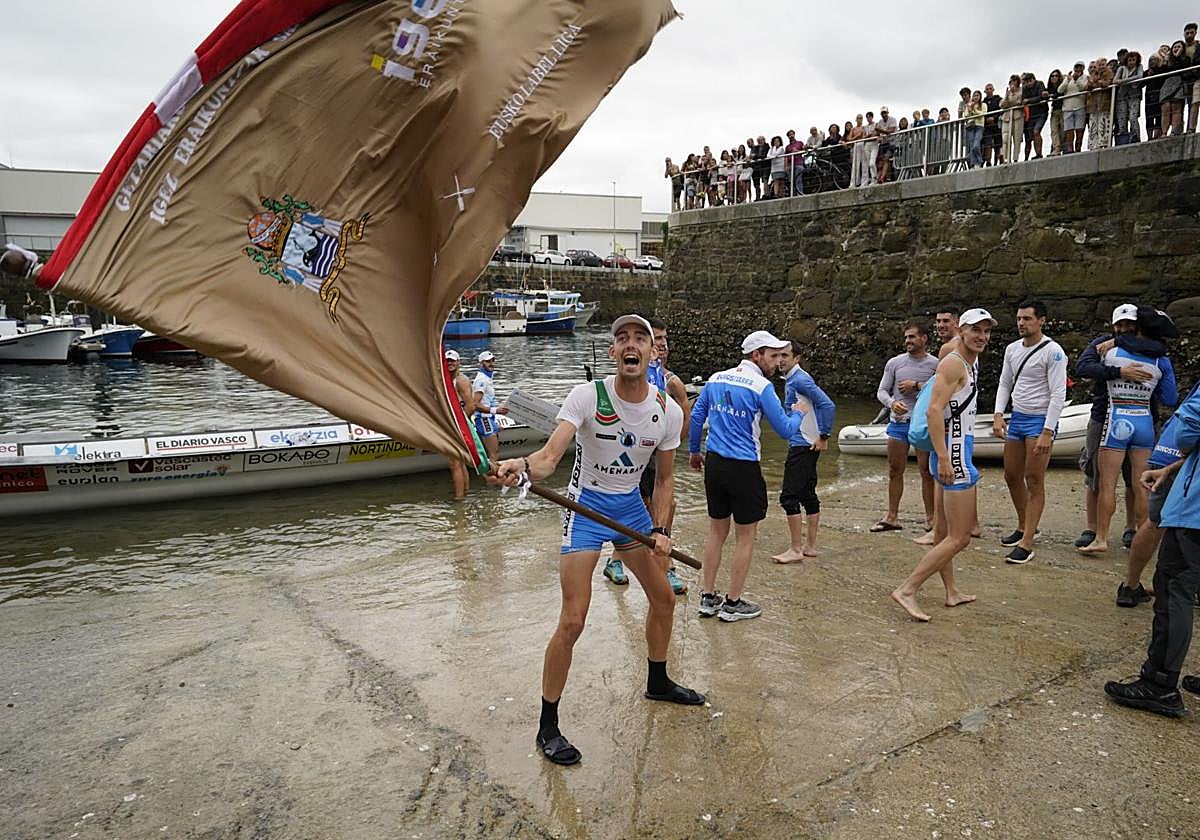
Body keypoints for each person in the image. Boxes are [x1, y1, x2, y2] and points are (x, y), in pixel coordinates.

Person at [491, 314, 701, 766]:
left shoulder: (667, 410)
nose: (631, 344)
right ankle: (548, 726)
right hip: (584, 510)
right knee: (573, 621)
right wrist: (522, 467)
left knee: (664, 599)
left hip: (629, 511)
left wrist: (661, 531)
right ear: (613, 353)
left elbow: (665, 482)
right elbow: (549, 457)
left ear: (652, 352)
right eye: (621, 337)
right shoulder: (587, 396)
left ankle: (658, 682)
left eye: (640, 338)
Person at [689, 331, 807, 622]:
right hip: (743, 467)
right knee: (746, 535)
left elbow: (696, 416)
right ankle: (732, 603)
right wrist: (800, 413)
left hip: (715, 462)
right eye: (772, 355)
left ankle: (707, 597)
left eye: (781, 355)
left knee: (717, 531)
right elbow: (785, 430)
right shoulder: (761, 386)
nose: (777, 361)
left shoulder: (716, 378)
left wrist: (694, 451)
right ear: (756, 355)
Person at [891, 308, 995, 622]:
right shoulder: (953, 364)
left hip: (955, 450)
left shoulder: (969, 363)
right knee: (960, 537)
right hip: (952, 454)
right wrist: (946, 456)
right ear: (961, 330)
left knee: (943, 532)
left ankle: (951, 592)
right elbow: (933, 411)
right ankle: (907, 589)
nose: (982, 336)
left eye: (986, 331)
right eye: (975, 330)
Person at [1103, 383, 1200, 718]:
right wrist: (1172, 470)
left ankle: (1159, 684)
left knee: (1174, 590)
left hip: (1196, 513)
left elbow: (1189, 430)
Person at [1078, 306, 1178, 555]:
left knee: (1107, 485)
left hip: (1116, 421)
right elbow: (1170, 398)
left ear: (1137, 327)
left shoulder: (1111, 352)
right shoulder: (1161, 360)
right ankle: (1142, 537)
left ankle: (1101, 538)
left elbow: (1084, 367)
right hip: (1144, 421)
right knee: (1141, 484)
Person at [604, 318, 690, 596]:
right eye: (659, 339)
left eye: (665, 340)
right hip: (632, 450)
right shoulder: (632, 368)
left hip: (658, 451)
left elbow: (685, 410)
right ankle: (616, 560)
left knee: (665, 505)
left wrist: (682, 442)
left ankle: (666, 565)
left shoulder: (671, 381)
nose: (663, 344)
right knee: (634, 505)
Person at [991, 300, 1068, 564]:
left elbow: (1058, 393)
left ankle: (1027, 543)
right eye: (1019, 319)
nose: (1022, 323)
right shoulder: (1012, 349)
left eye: (1027, 319)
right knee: (1012, 475)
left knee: (1034, 479)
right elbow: (1005, 382)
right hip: (1018, 417)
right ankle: (1025, 525)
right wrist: (999, 414)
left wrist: (1048, 430)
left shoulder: (1054, 351)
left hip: (1040, 420)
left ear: (1041, 320)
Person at [1119, 379, 1199, 607]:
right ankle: (1137, 586)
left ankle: (1131, 586)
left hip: (1168, 450)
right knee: (1164, 523)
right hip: (1184, 456)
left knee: (1156, 522)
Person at [871, 322, 939, 534]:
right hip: (898, 424)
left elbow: (944, 389)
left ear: (924, 338)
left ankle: (931, 518)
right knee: (894, 470)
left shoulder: (936, 364)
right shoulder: (895, 363)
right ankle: (892, 516)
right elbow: (881, 391)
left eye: (912, 337)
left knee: (927, 472)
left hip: (923, 424)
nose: (908, 341)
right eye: (906, 338)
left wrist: (917, 386)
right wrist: (892, 403)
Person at [771, 341, 835, 563]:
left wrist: (824, 436)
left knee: (788, 497)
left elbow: (828, 405)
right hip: (804, 443)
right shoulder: (793, 380)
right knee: (808, 494)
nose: (780, 360)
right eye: (778, 355)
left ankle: (796, 549)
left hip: (803, 444)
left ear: (797, 358)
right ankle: (809, 546)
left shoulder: (800, 380)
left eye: (785, 355)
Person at [445, 349, 476, 499]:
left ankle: (459, 499)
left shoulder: (461, 381)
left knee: (454, 463)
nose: (450, 363)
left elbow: (470, 406)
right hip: (455, 424)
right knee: (460, 462)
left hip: (458, 426)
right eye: (447, 361)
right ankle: (465, 492)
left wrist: (459, 425)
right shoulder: (446, 380)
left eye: (452, 360)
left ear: (458, 363)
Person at [472, 350, 508, 464]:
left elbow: (486, 401)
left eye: (492, 360)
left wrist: (495, 423)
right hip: (483, 419)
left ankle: (492, 477)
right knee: (494, 453)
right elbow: (475, 404)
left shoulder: (487, 378)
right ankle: (491, 480)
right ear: (481, 363)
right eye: (488, 361)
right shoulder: (481, 380)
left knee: (495, 453)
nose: (491, 363)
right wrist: (496, 410)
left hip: (488, 419)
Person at [1113, 51, 1144, 144]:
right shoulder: (1122, 68)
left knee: (1133, 117)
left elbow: (1140, 76)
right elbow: (1115, 80)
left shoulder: (1139, 67)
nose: (1131, 62)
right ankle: (1124, 139)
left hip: (1134, 95)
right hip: (1122, 96)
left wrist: (1124, 81)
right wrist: (1124, 81)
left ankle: (1136, 138)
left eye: (1133, 60)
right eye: (1129, 60)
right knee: (1122, 119)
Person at [1160, 42, 1189, 137]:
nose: (1176, 48)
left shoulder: (1185, 59)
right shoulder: (1167, 60)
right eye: (1174, 47)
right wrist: (1165, 60)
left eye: (1179, 47)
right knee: (1166, 109)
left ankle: (1174, 132)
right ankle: (1164, 133)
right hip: (1167, 85)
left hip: (1179, 83)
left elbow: (1183, 67)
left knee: (1176, 108)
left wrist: (1178, 56)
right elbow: (1163, 72)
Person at [1086, 57, 1115, 150]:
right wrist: (1096, 83)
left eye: (1103, 64)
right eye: (1099, 65)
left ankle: (1104, 143)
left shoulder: (1109, 72)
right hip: (1094, 104)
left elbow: (1106, 84)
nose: (1101, 67)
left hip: (1104, 103)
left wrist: (1097, 82)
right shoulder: (1093, 74)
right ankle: (1093, 144)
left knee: (1104, 123)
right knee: (1093, 125)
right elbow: (1088, 86)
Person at [1059, 62, 1088, 153]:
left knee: (1079, 130)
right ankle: (1070, 149)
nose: (1077, 69)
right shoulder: (1068, 78)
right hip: (1067, 107)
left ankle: (1078, 148)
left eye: (1080, 67)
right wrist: (1067, 80)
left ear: (1083, 68)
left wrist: (1076, 80)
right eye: (1076, 67)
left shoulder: (1085, 77)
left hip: (1080, 106)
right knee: (1069, 130)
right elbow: (1060, 90)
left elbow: (1084, 88)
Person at [1021, 72, 1050, 159]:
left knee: (1036, 131)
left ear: (1034, 79)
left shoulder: (1040, 84)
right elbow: (1023, 100)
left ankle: (1039, 154)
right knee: (1032, 135)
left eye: (1030, 81)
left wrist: (1029, 100)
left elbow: (1041, 96)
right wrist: (1030, 100)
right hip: (1031, 115)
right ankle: (1037, 153)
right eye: (1027, 81)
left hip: (1041, 113)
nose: (1029, 83)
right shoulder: (1025, 88)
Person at [1000, 75, 1025, 165]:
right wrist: (1007, 96)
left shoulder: (1022, 90)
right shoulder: (1008, 93)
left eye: (1013, 81)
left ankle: (1015, 158)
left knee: (1017, 138)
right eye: (1010, 82)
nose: (1012, 83)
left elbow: (1019, 102)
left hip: (1018, 116)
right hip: (1007, 117)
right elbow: (1002, 105)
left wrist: (1014, 98)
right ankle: (1006, 158)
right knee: (1005, 138)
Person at [875, 106, 899, 183]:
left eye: (885, 112)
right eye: (882, 113)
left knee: (886, 159)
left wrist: (880, 130)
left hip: (891, 143)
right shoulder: (880, 121)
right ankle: (878, 178)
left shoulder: (892, 119)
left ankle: (882, 177)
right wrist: (878, 132)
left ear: (887, 113)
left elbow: (891, 131)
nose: (884, 114)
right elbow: (877, 132)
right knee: (880, 162)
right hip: (883, 143)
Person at [981, 83, 1003, 166]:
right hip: (987, 126)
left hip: (997, 125)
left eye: (990, 88)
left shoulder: (998, 99)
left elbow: (1001, 109)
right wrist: (986, 120)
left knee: (998, 145)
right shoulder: (983, 102)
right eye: (987, 89)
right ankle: (988, 162)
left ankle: (997, 162)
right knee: (988, 144)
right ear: (985, 91)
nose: (989, 90)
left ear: (993, 90)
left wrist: (994, 118)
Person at [964, 91, 986, 169]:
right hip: (971, 126)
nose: (976, 97)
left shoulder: (983, 104)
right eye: (974, 95)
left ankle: (979, 162)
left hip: (979, 126)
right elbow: (965, 115)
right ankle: (973, 163)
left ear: (980, 97)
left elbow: (982, 114)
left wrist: (974, 110)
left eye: (977, 95)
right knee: (972, 145)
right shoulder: (969, 104)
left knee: (976, 145)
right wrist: (970, 108)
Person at [1046, 70, 1065, 155]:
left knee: (1063, 130)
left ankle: (1062, 147)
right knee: (1054, 130)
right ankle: (1056, 148)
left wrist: (1052, 95)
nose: (1054, 77)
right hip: (1054, 110)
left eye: (1056, 76)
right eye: (1052, 76)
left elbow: (1059, 93)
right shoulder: (1050, 87)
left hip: (1063, 109)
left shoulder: (1063, 85)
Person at [785, 129, 806, 197]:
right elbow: (786, 156)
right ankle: (793, 194)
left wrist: (796, 151)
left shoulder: (800, 143)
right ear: (788, 136)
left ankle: (799, 194)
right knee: (792, 181)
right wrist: (785, 166)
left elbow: (804, 151)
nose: (791, 136)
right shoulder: (787, 147)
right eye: (789, 135)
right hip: (790, 165)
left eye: (792, 134)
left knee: (798, 179)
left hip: (799, 163)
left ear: (794, 134)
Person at [847, 114, 867, 188]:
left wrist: (861, 136)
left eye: (861, 118)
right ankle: (854, 182)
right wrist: (857, 136)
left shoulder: (864, 127)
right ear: (856, 119)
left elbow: (865, 136)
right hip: (856, 145)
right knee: (855, 165)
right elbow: (849, 139)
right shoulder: (853, 129)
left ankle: (864, 181)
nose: (859, 120)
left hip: (863, 145)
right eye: (858, 118)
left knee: (864, 164)